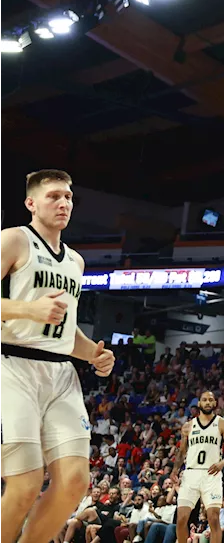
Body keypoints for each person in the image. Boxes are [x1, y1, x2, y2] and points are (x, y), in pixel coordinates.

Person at [0, 169, 116, 543]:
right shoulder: (13, 240)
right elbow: (35, 314)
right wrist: (26, 310)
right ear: (30, 203)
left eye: (68, 197)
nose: (64, 203)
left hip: (61, 372)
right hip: (12, 364)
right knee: (26, 482)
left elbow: (66, 331)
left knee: (75, 481)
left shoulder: (76, 262)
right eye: (54, 196)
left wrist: (93, 355)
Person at [174, 391, 224, 543]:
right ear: (199, 404)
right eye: (204, 400)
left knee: (214, 518)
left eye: (211, 400)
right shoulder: (188, 426)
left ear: (215, 403)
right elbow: (182, 451)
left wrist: (222, 463)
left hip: (212, 473)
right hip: (191, 473)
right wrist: (174, 470)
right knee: (181, 518)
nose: (208, 402)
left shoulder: (223, 423)